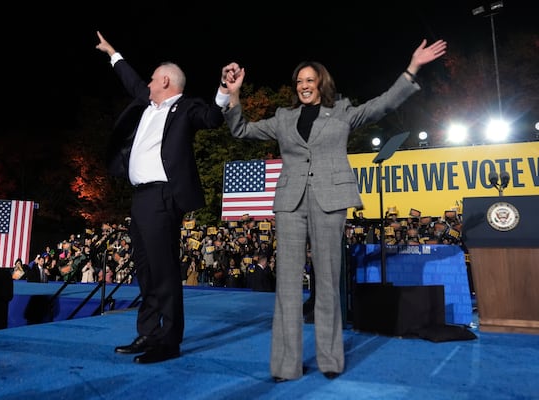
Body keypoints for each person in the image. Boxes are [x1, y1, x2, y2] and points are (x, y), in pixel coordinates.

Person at [220, 38, 447, 381]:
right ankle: (286, 365)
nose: (303, 86)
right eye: (298, 82)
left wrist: (412, 68)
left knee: (327, 282)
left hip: (330, 199)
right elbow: (240, 130)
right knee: (287, 285)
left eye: (309, 80)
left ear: (321, 83)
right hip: (290, 203)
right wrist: (233, 94)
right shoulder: (283, 117)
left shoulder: (342, 111)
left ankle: (329, 359)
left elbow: (382, 105)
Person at [95, 31, 229, 364]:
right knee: (145, 269)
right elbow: (131, 80)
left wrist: (225, 91)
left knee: (164, 270)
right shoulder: (147, 103)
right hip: (140, 198)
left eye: (153, 78)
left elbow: (212, 118)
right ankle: (149, 332)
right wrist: (113, 52)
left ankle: (169, 340)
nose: (147, 83)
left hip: (163, 196)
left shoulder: (186, 108)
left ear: (165, 80)